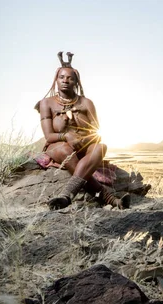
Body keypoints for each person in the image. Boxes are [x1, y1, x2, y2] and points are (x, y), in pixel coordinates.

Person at [34, 52, 130, 210]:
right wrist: (67, 136)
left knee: (101, 147)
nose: (65, 80)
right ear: (56, 80)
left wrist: (85, 140)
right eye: (62, 77)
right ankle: (111, 200)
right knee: (66, 150)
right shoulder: (47, 103)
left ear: (76, 81)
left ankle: (65, 196)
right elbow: (49, 136)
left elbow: (97, 133)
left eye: (70, 78)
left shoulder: (86, 103)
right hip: (58, 146)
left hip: (85, 146)